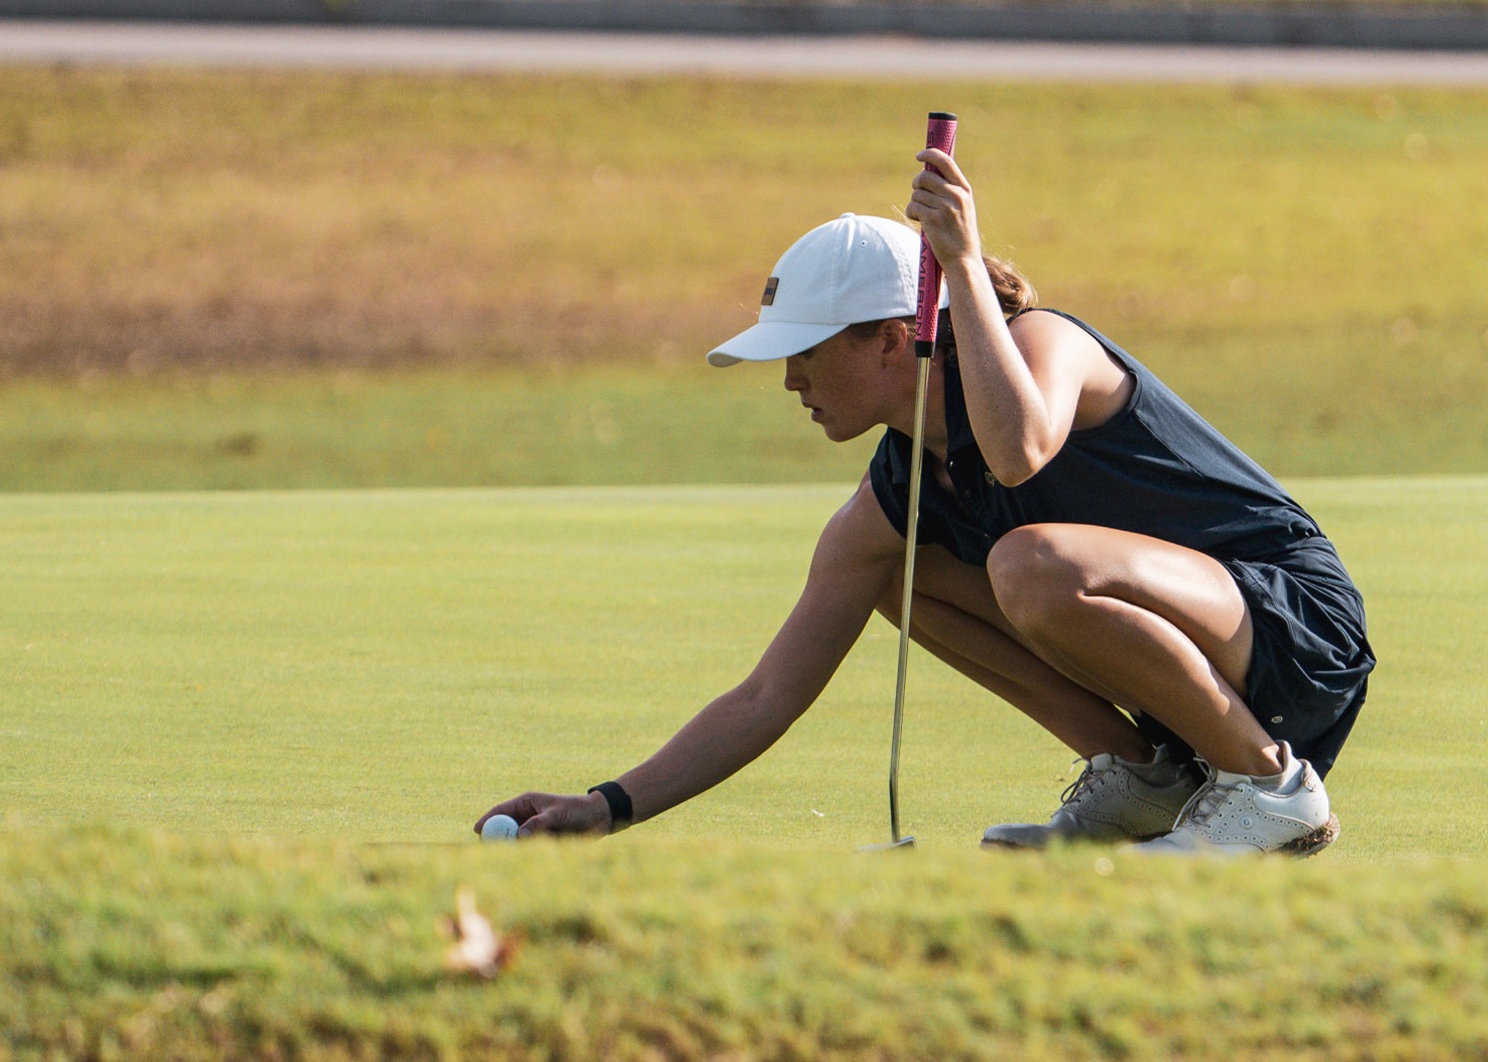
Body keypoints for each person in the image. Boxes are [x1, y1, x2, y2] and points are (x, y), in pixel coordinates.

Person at [476, 147, 1374, 854]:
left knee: (1028, 564)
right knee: (896, 574)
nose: (789, 380)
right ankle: (1150, 783)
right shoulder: (897, 489)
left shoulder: (1046, 343)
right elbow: (765, 696)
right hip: (1200, 669)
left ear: (893, 341)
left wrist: (962, 262)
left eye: (807, 351)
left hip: (1295, 631)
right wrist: (607, 806)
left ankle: (1267, 794)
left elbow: (1019, 452)